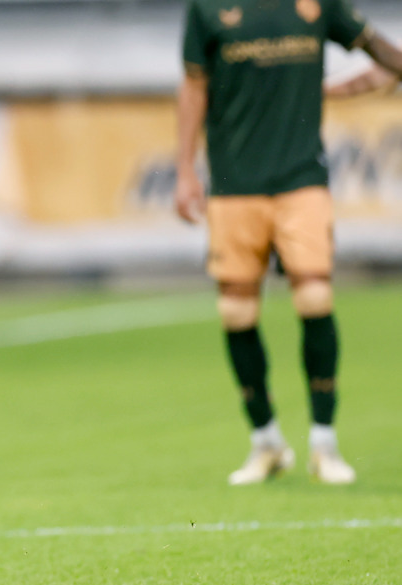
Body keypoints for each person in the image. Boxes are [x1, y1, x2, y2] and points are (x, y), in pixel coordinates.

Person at [176, 0, 402, 485]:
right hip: (234, 183)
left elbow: (376, 47)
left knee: (315, 295)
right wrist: (184, 171)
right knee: (236, 312)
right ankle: (266, 442)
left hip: (302, 180)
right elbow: (193, 86)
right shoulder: (207, 8)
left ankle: (324, 443)